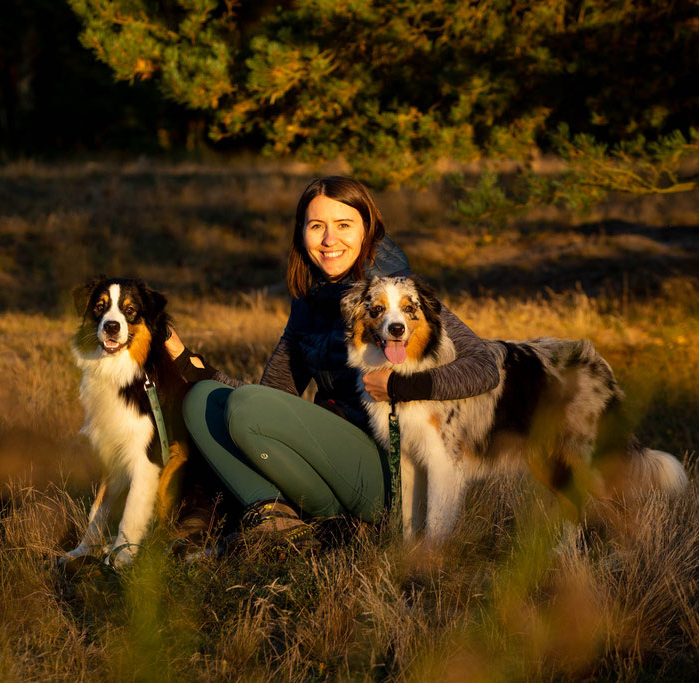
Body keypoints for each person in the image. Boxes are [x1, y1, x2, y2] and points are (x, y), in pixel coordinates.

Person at [164, 176, 500, 546]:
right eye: (317, 226)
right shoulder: (309, 301)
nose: (329, 240)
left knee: (243, 406)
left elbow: (484, 367)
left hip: (386, 467)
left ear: (367, 229)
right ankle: (274, 520)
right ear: (301, 233)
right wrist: (189, 364)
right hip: (326, 453)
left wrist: (400, 385)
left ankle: (349, 522)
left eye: (343, 225)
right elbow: (271, 396)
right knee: (203, 401)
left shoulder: (397, 293)